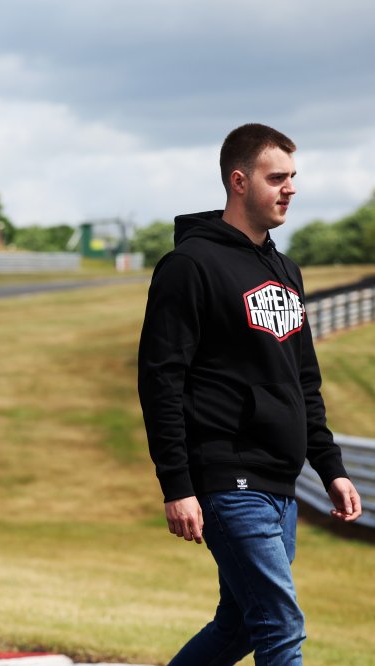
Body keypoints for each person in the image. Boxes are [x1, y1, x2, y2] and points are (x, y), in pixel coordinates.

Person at [137, 123, 363, 664]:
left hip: (280, 482)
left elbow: (303, 381)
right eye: (276, 177)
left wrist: (330, 468)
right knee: (280, 624)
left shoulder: (286, 271)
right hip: (228, 478)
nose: (290, 188)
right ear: (239, 181)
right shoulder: (189, 266)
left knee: (239, 626)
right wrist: (177, 485)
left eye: (293, 177)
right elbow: (160, 381)